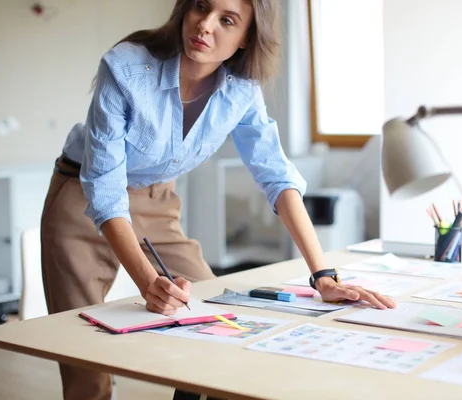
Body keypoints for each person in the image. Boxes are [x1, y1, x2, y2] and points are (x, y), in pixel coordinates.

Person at [40, 0, 396, 399]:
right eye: (201, 7)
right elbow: (105, 190)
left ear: (247, 37)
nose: (205, 25)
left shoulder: (242, 89)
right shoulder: (125, 67)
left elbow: (275, 175)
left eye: (227, 20)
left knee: (214, 323)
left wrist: (324, 277)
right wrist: (147, 283)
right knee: (85, 363)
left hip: (156, 200)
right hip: (81, 200)